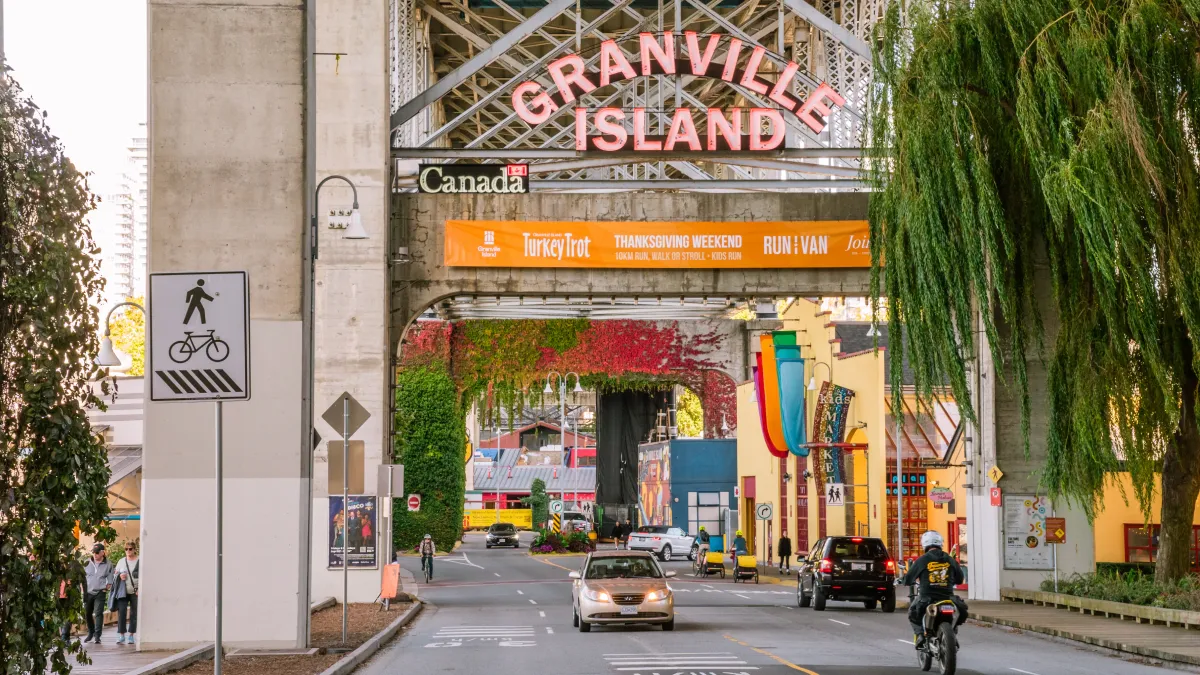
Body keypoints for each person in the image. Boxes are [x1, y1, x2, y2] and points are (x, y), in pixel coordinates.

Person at [902, 530, 967, 648]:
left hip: (927, 599)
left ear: (924, 544)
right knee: (959, 611)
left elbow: (908, 579)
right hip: (948, 598)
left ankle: (921, 635)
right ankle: (952, 634)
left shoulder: (922, 560)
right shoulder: (950, 560)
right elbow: (959, 580)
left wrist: (904, 580)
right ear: (940, 543)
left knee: (913, 612)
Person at [83, 543, 114, 644]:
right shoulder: (87, 562)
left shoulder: (108, 564)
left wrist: (108, 585)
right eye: (93, 552)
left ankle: (97, 635)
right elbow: (82, 576)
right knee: (87, 613)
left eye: (97, 553)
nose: (95, 555)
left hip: (100, 592)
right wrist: (82, 587)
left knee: (98, 613)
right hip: (88, 592)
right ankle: (91, 632)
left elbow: (110, 576)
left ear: (102, 552)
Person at [114, 542, 140, 645]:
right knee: (122, 612)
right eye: (126, 549)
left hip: (135, 590)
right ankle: (121, 635)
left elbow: (144, 575)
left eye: (130, 549)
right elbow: (115, 574)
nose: (128, 551)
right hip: (123, 590)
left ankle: (131, 635)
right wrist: (120, 576)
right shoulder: (121, 561)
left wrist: (140, 588)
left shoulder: (139, 561)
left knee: (134, 613)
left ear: (134, 549)